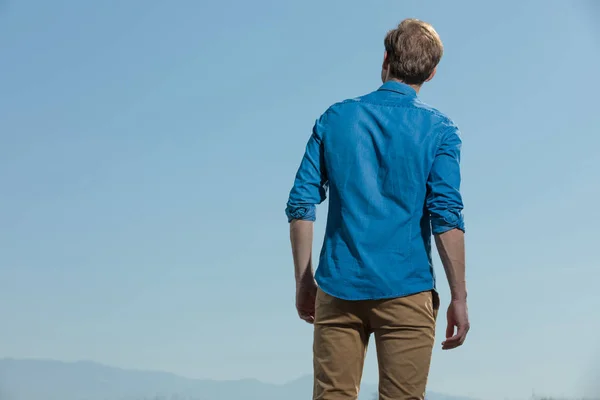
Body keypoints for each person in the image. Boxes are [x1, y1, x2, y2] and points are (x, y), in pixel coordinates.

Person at [285, 18, 470, 400]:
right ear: (432, 73)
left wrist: (304, 281)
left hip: (337, 288)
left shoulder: (335, 118)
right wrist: (460, 298)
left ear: (385, 58)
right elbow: (446, 216)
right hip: (407, 289)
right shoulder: (440, 130)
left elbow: (302, 203)